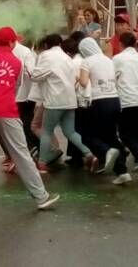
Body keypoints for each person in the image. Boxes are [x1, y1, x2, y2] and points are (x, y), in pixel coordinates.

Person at [0, 27, 60, 211]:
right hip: (7, 111)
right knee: (21, 154)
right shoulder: (17, 62)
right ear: (11, 42)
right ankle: (41, 197)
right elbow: (15, 88)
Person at [31, 34, 95, 172]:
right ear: (60, 44)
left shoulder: (46, 55)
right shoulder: (67, 57)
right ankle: (89, 153)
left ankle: (42, 162)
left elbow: (36, 76)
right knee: (70, 132)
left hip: (54, 100)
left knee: (46, 131)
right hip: (70, 100)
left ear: (46, 45)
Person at [78, 37, 130, 183]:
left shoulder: (86, 61)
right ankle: (122, 172)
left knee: (88, 136)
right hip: (114, 100)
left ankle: (106, 151)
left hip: (98, 101)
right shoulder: (108, 60)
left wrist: (78, 77)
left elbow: (83, 82)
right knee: (111, 136)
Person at [112, 31, 138, 175]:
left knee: (124, 133)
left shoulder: (117, 59)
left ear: (121, 44)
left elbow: (112, 78)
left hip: (127, 100)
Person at [12, 36, 40, 157]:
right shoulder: (29, 53)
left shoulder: (24, 52)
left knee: (24, 123)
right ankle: (32, 147)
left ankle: (33, 146)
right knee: (26, 121)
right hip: (26, 94)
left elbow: (30, 72)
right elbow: (32, 72)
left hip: (21, 94)